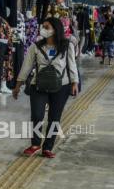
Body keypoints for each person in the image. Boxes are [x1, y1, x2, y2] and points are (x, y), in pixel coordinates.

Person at [13, 18, 79, 159]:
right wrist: (18, 86)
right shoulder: (35, 46)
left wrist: (74, 83)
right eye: (43, 26)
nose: (43, 29)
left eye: (46, 27)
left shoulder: (67, 46)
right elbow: (26, 67)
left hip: (62, 86)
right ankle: (35, 144)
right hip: (39, 85)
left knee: (54, 118)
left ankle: (47, 148)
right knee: (37, 115)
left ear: (55, 29)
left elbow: (72, 65)